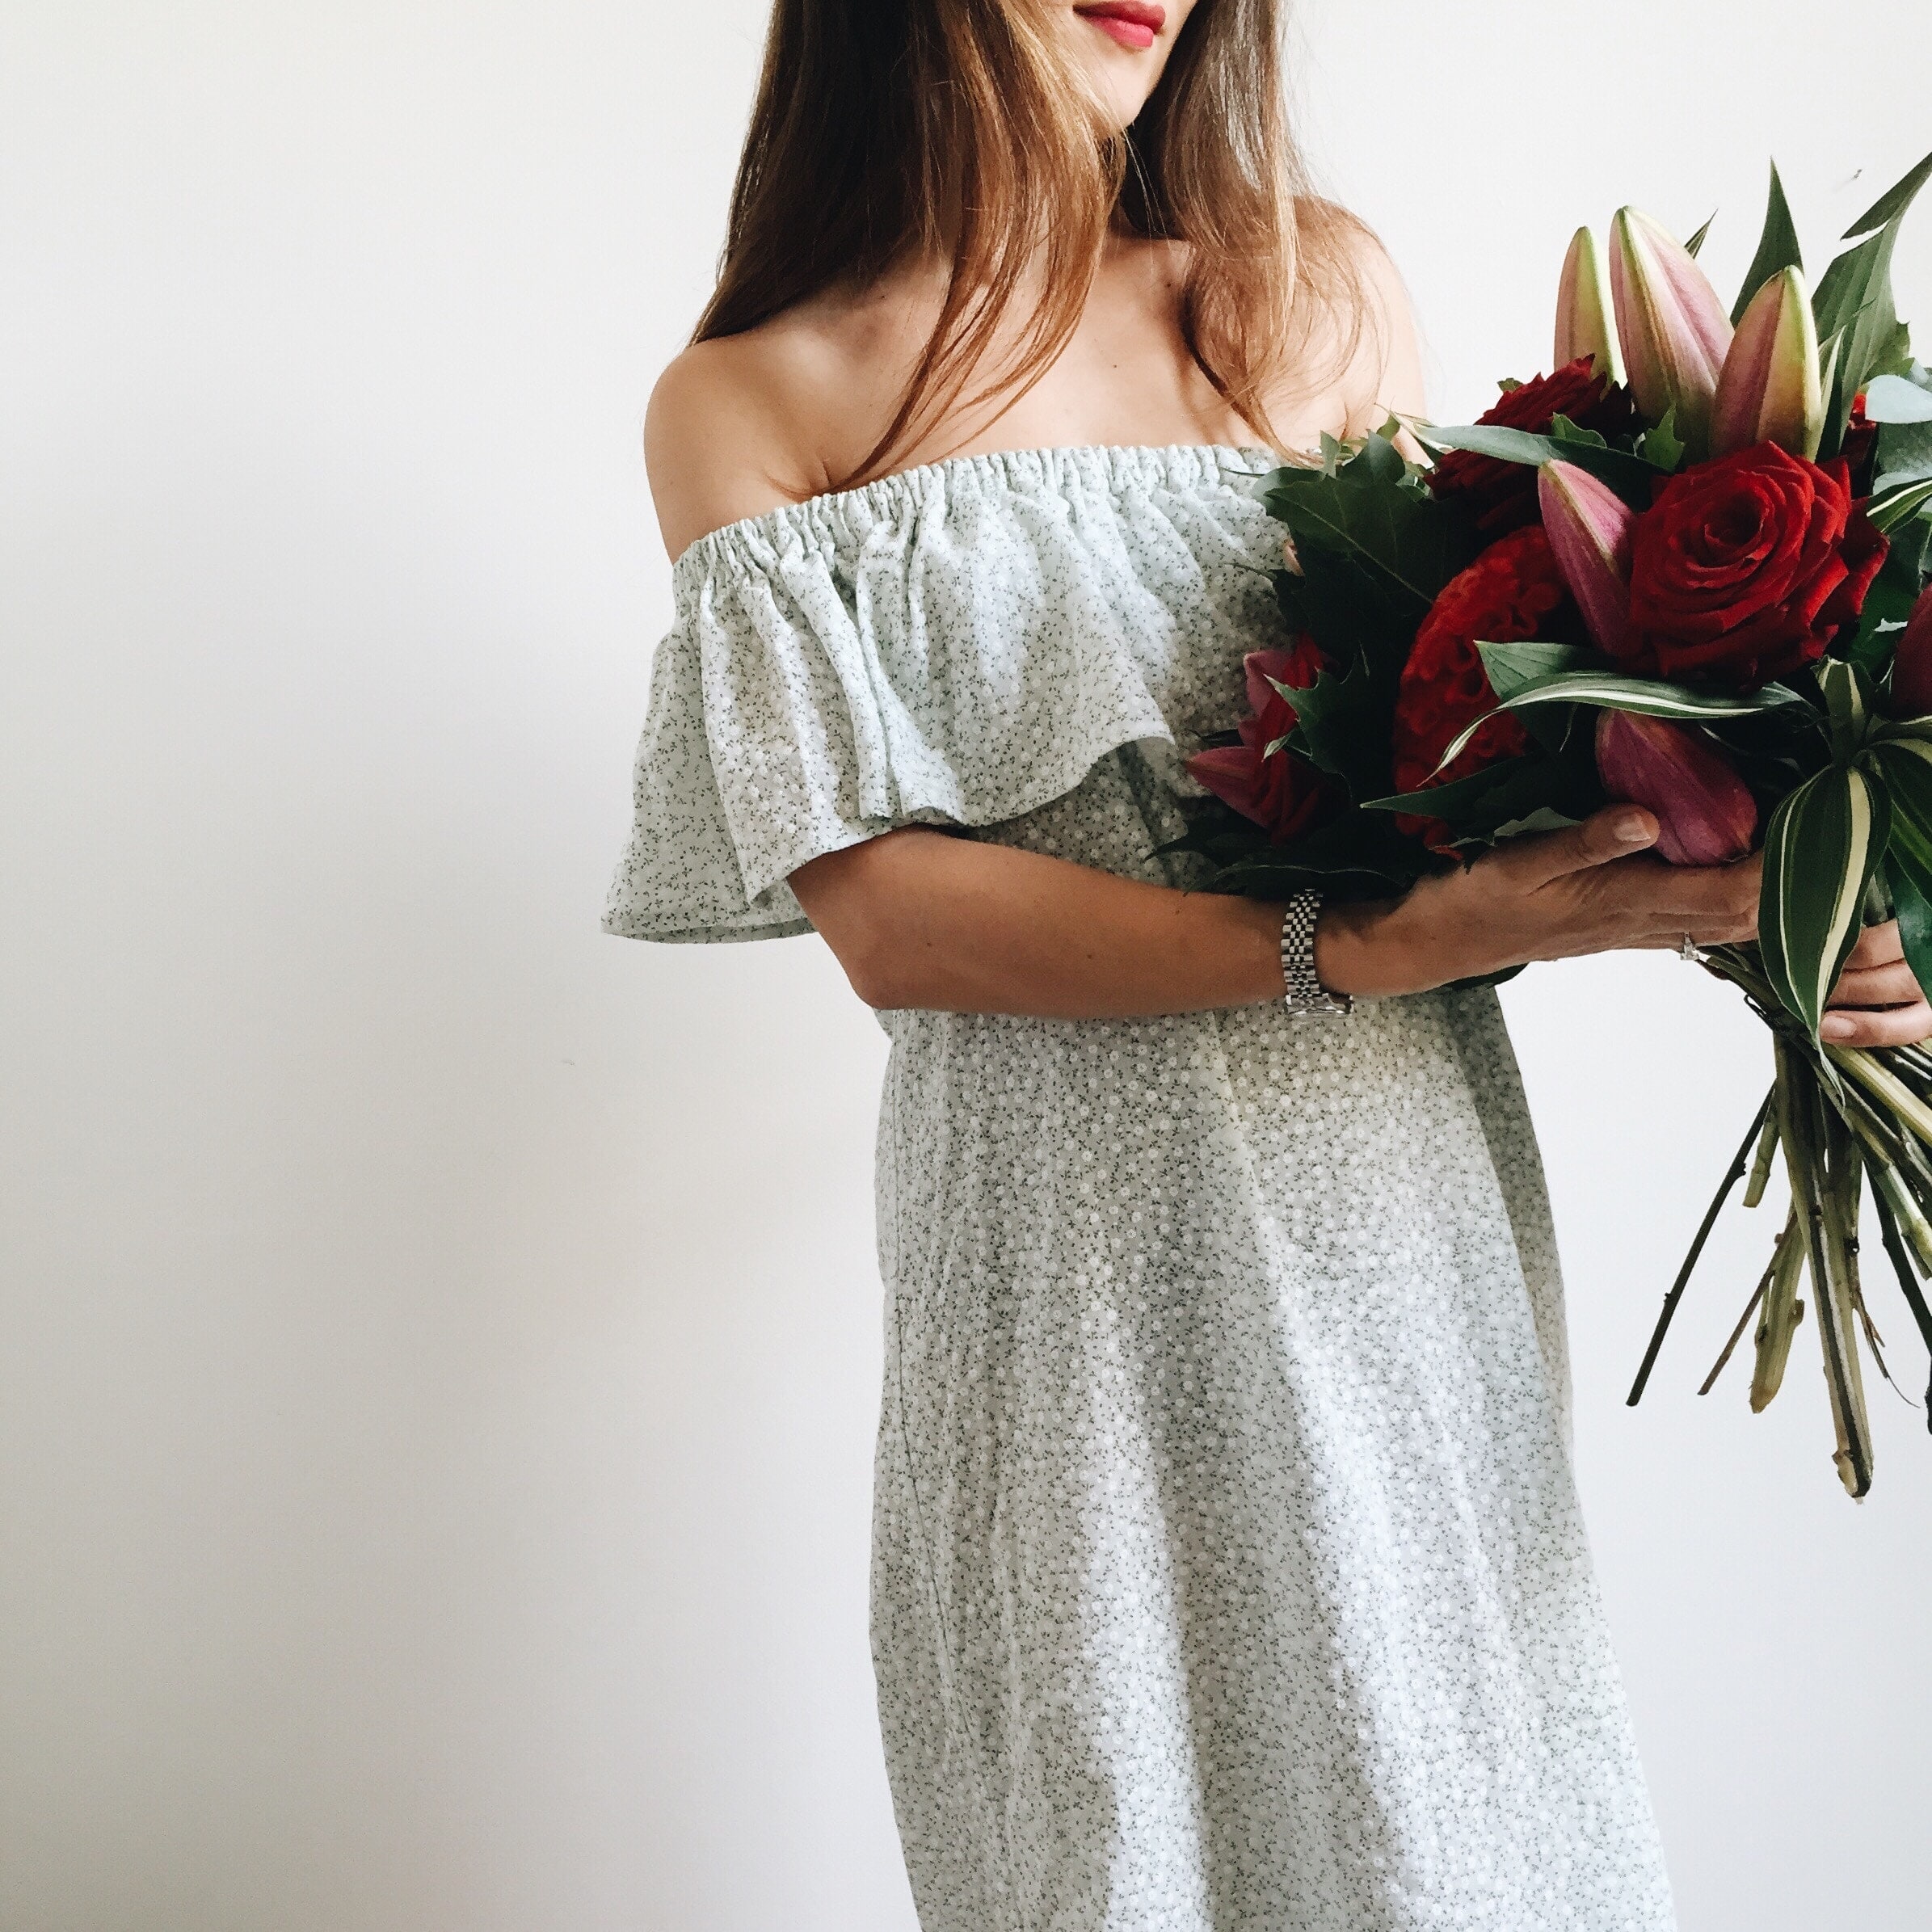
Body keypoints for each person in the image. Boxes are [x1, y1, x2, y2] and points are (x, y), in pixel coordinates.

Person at [606, 3, 1929, 1925]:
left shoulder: (1302, 297)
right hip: (1061, 1268)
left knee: (1455, 1808)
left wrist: (1775, 891)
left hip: (1391, 1210)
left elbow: (1469, 767)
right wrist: (1362, 942)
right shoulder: (751, 397)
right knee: (1118, 1811)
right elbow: (891, 917)